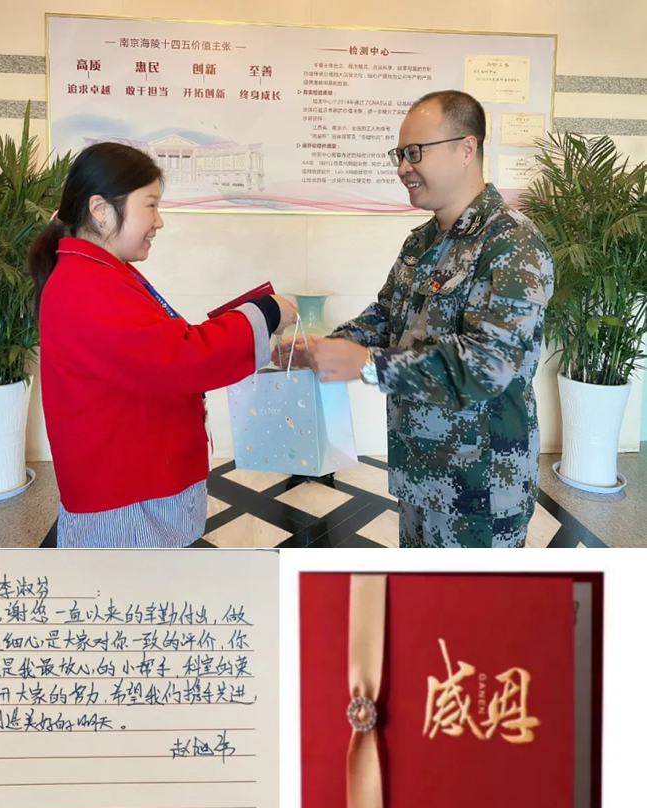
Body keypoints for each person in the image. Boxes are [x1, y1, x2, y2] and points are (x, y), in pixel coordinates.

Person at [277, 90, 554, 548]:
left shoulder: (511, 244)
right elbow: (387, 316)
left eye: (415, 152)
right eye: (400, 154)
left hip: (481, 491)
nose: (403, 167)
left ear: (466, 149)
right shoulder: (421, 241)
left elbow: (485, 366)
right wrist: (327, 347)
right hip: (420, 474)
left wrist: (368, 364)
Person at [28, 141, 297, 548]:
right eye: (151, 205)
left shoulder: (98, 271)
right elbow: (181, 357)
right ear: (101, 210)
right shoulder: (85, 285)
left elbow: (158, 346)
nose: (159, 221)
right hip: (126, 499)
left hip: (133, 481)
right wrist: (265, 313)